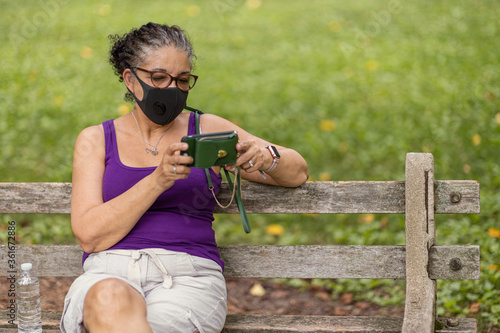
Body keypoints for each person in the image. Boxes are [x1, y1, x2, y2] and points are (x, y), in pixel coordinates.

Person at [60, 22, 308, 333]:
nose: (172, 89)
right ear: (131, 79)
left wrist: (266, 157)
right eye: (159, 78)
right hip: (108, 275)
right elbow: (89, 235)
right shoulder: (96, 139)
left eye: (182, 80)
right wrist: (157, 180)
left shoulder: (207, 130)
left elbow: (297, 171)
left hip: (188, 277)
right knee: (110, 299)